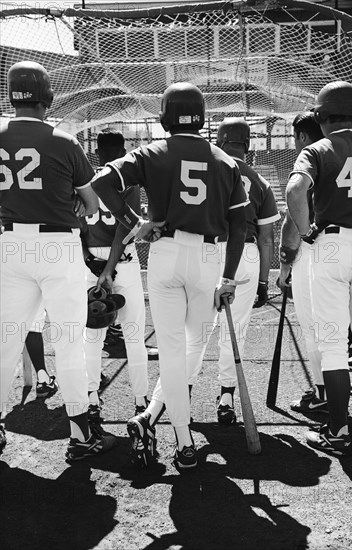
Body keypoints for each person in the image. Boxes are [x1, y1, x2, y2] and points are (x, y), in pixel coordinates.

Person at [91, 82, 249, 470]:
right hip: (208, 256)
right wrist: (228, 278)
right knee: (194, 346)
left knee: (175, 351)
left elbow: (101, 183)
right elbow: (240, 225)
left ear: (164, 116)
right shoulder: (226, 161)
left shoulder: (152, 152)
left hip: (163, 252)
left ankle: (179, 437)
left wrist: (136, 223)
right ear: (203, 117)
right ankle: (166, 427)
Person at [0, 61, 117, 460]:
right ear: (47, 97)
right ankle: (81, 435)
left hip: (11, 243)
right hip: (58, 245)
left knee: (5, 341)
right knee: (68, 341)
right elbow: (90, 205)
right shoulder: (65, 140)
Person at [286, 80, 352, 454]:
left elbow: (294, 191)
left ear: (320, 116)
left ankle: (337, 431)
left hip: (332, 244)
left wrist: (306, 234)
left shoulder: (318, 147)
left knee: (333, 343)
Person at [81, 128, 150, 432]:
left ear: (97, 153)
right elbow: (127, 226)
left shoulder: (84, 181)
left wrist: (90, 263)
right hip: (122, 260)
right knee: (134, 335)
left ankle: (92, 399)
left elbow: (76, 226)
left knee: (92, 336)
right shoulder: (126, 178)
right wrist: (109, 269)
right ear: (123, 150)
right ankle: (140, 402)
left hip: (90, 264)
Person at [213, 118, 280, 423]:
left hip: (207, 251)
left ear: (220, 141)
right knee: (234, 329)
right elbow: (267, 238)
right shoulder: (261, 181)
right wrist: (264, 281)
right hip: (247, 256)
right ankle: (227, 394)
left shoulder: (210, 170)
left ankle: (176, 393)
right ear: (248, 146)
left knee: (192, 328)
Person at [278, 113, 327, 412]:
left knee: (316, 328)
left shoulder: (309, 161)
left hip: (316, 250)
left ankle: (322, 393)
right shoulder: (348, 152)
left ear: (304, 137)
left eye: (296, 137)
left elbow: (291, 224)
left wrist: (285, 265)